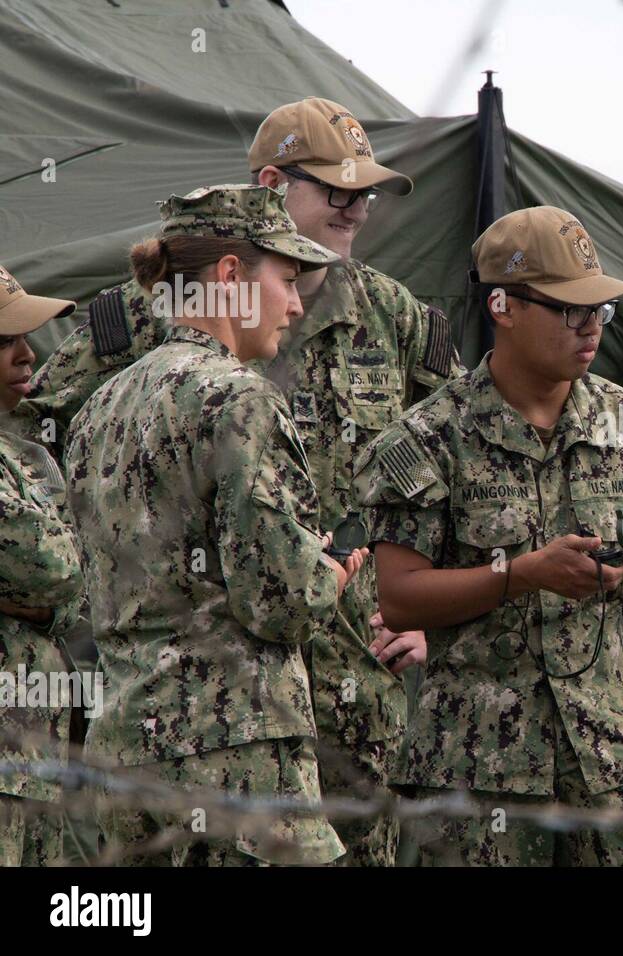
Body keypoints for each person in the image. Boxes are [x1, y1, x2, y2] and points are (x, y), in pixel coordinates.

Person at [23, 98, 466, 865]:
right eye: (338, 191)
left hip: (351, 690)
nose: (358, 210)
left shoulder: (394, 319)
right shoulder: (154, 317)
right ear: (271, 183)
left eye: (368, 194)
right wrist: (55, 575)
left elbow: (465, 459)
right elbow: (37, 435)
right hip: (224, 707)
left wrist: (427, 605)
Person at [356, 206, 623, 865]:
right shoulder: (426, 439)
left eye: (601, 312)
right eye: (571, 312)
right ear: (503, 307)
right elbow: (398, 598)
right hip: (478, 765)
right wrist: (520, 575)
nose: (591, 328)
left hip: (615, 752)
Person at [63, 184, 367, 866]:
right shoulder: (239, 399)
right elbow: (282, 601)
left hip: (126, 756)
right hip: (238, 762)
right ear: (230, 277)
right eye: (286, 279)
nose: (295, 303)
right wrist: (334, 570)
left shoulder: (97, 409)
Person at [0, 266, 82, 866]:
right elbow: (55, 569)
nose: (28, 354)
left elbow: (76, 590)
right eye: (6, 341)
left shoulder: (20, 454)